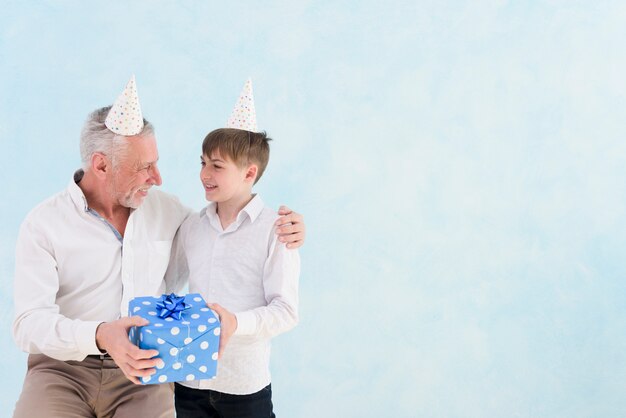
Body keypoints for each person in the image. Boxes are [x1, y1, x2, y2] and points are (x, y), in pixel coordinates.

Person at [12, 76, 305, 418]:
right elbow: (27, 324)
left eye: (156, 163)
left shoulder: (171, 213)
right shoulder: (44, 223)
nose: (158, 178)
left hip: (145, 369)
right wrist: (100, 335)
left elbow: (227, 228)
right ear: (102, 165)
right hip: (62, 369)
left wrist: (290, 228)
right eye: (144, 167)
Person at [166, 79, 299, 418]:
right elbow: (169, 287)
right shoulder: (192, 226)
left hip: (244, 387)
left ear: (249, 173)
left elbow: (285, 311)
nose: (204, 174)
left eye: (217, 166)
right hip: (189, 384)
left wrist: (234, 322)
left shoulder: (277, 230)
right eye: (202, 162)